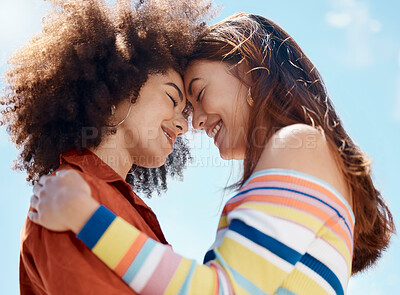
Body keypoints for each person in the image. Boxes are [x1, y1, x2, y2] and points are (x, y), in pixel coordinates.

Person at [28, 12, 394, 295]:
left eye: (198, 94)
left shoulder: (300, 144)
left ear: (248, 68)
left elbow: (225, 289)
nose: (195, 124)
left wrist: (86, 217)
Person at [0, 0, 214, 294]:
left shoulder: (122, 203)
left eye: (185, 113)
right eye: (171, 99)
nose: (184, 125)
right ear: (117, 90)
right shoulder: (65, 195)